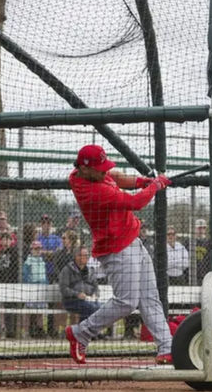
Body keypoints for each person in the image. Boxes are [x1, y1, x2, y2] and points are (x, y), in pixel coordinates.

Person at [64, 144, 172, 365]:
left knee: (150, 298)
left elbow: (115, 176)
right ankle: (81, 332)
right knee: (127, 301)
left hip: (133, 242)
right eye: (99, 169)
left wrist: (141, 181)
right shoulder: (93, 191)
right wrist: (155, 186)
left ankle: (167, 347)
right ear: (85, 169)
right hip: (117, 249)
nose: (104, 171)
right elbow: (135, 202)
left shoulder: (88, 175)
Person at [59, 246, 101, 321]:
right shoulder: (67, 269)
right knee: (90, 308)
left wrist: (95, 294)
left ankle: (87, 331)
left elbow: (96, 288)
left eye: (86, 255)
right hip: (71, 301)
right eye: (81, 255)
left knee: (101, 308)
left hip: (89, 300)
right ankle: (85, 330)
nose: (85, 257)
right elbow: (63, 289)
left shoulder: (91, 270)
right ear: (76, 256)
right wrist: (77, 294)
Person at [22, 240, 49, 337]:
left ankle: (39, 330)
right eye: (36, 249)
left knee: (40, 312)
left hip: (41, 288)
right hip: (31, 288)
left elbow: (44, 275)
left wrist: (46, 284)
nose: (38, 251)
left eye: (39, 249)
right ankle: (26, 332)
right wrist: (30, 284)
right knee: (28, 310)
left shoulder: (42, 261)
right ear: (31, 250)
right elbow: (25, 276)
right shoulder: (28, 262)